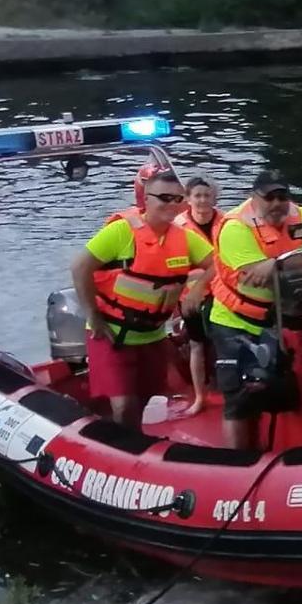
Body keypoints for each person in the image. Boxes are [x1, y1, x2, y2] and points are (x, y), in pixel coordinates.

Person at [70, 169, 214, 431]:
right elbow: (80, 267)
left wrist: (198, 288)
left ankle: (126, 438)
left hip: (153, 336)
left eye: (177, 199)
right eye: (164, 198)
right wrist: (92, 315)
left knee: (147, 397)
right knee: (125, 406)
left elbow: (217, 262)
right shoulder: (121, 231)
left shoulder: (185, 237)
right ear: (146, 199)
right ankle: (127, 451)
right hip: (112, 334)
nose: (172, 205)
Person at [202, 170, 302, 450]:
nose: (277, 203)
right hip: (236, 322)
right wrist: (293, 263)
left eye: (282, 196)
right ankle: (239, 461)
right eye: (269, 197)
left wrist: (276, 263)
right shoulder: (235, 227)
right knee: (240, 399)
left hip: (281, 319)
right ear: (255, 198)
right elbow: (255, 274)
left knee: (281, 387)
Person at [172, 176, 228, 418]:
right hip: (191, 298)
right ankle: (199, 397)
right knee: (196, 346)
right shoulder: (178, 227)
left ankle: (227, 391)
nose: (203, 200)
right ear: (188, 199)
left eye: (207, 195)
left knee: (225, 343)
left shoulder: (227, 222)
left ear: (214, 197)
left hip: (225, 294)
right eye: (197, 195)